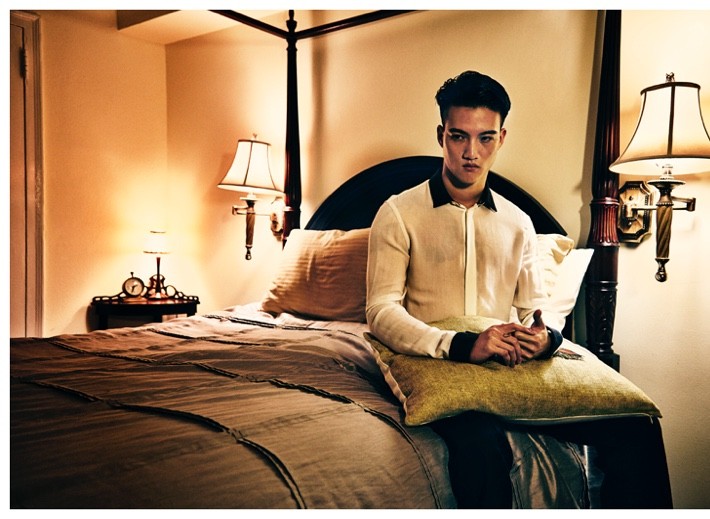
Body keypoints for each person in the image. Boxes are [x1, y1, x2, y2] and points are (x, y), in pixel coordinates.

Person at [366, 70, 672, 508]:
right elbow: (380, 310)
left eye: (486, 138)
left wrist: (543, 337)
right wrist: (458, 344)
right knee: (481, 446)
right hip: (436, 366)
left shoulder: (519, 222)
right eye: (458, 136)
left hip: (502, 368)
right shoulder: (398, 213)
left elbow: (534, 309)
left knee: (636, 426)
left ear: (502, 138)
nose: (471, 152)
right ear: (441, 135)